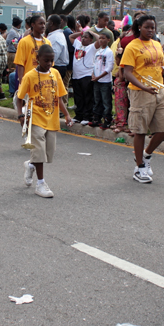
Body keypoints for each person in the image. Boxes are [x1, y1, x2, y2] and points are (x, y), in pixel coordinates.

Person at [120, 14, 164, 183]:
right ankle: (140, 167)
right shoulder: (132, 46)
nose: (150, 30)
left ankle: (146, 154)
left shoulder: (157, 44)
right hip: (140, 92)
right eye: (147, 27)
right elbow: (127, 72)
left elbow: (158, 64)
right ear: (139, 28)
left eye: (153, 27)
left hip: (159, 90)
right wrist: (143, 87)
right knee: (140, 130)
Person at [16, 44, 73, 197]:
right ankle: (40, 184)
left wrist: (66, 115)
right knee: (39, 151)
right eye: (46, 60)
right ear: (38, 59)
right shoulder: (29, 76)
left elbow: (59, 97)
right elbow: (19, 98)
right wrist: (20, 116)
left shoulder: (55, 74)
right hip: (35, 117)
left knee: (48, 153)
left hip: (51, 118)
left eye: (51, 60)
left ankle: (30, 164)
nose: (49, 64)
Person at [14, 15, 50, 87]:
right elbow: (20, 63)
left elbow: (50, 65)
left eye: (44, 24)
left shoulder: (47, 42)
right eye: (40, 23)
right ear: (33, 24)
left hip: (44, 81)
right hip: (29, 80)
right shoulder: (24, 42)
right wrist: (21, 82)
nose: (43, 26)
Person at [71, 29, 97, 124]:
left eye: (86, 37)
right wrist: (81, 33)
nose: (83, 39)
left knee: (87, 97)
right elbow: (71, 37)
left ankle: (87, 116)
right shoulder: (78, 44)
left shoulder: (92, 47)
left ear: (91, 40)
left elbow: (99, 41)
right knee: (78, 97)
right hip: (76, 75)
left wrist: (93, 33)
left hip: (86, 75)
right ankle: (79, 115)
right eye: (83, 37)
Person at [91, 30, 114, 129]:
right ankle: (96, 118)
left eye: (103, 38)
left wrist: (99, 77)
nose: (101, 40)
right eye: (99, 38)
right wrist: (93, 74)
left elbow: (109, 68)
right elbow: (94, 64)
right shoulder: (98, 51)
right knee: (97, 100)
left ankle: (107, 119)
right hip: (97, 80)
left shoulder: (109, 52)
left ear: (108, 40)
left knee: (106, 101)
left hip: (104, 81)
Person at [46, 14, 69, 82]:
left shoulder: (56, 37)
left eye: (47, 22)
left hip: (57, 67)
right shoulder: (55, 35)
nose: (46, 24)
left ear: (51, 23)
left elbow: (54, 55)